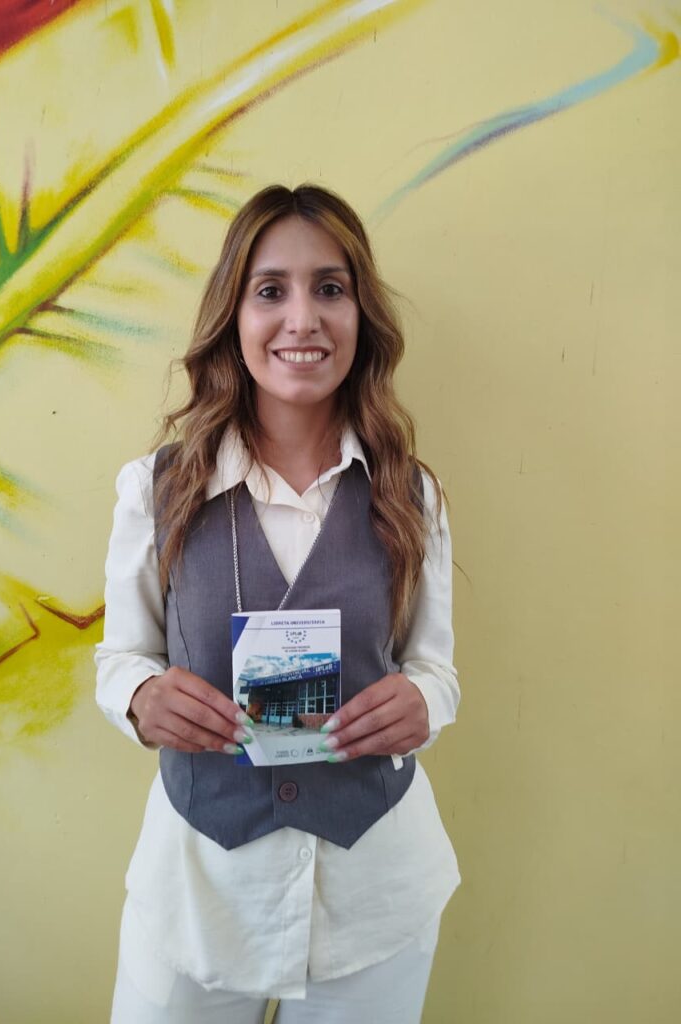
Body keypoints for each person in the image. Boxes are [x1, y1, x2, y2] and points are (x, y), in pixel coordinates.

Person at [95, 184, 460, 1024]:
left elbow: (435, 670)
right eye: (271, 290)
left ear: (362, 314)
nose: (303, 319)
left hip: (373, 901)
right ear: (234, 314)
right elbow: (121, 659)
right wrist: (142, 697)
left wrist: (424, 703)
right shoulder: (155, 490)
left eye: (330, 288)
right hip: (198, 896)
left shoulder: (412, 496)